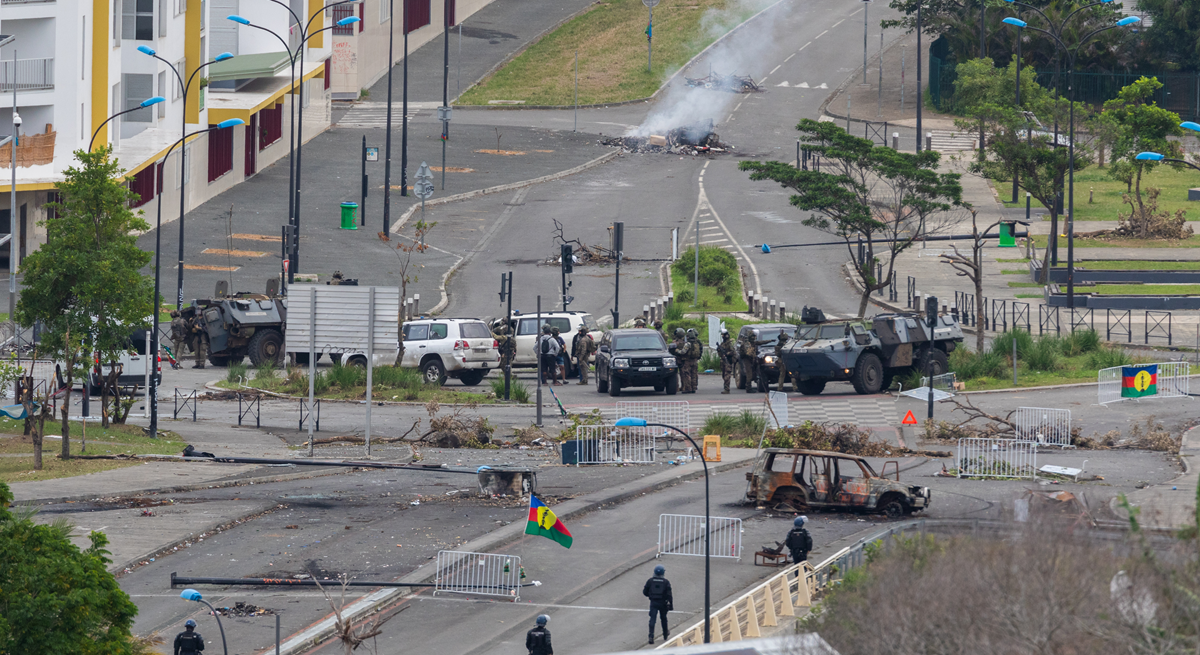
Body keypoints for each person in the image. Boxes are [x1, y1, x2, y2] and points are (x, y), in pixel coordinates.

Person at [643, 564, 673, 644]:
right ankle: (665, 633)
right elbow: (669, 594)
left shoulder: (650, 581)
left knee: (652, 619)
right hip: (663, 603)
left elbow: (645, 592)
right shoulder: (666, 582)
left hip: (653, 602)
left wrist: (651, 596)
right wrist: (670, 605)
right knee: (663, 618)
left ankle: (651, 636)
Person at [717, 328, 737, 394]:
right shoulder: (723, 343)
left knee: (727, 376)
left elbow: (732, 352)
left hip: (728, 361)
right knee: (724, 375)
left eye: (723, 335)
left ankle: (727, 389)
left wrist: (726, 354)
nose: (722, 336)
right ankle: (726, 388)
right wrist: (719, 351)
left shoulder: (729, 343)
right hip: (723, 361)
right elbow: (720, 353)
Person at [683, 329, 702, 394]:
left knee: (687, 374)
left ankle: (688, 388)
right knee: (694, 374)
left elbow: (683, 351)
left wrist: (677, 351)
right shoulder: (697, 343)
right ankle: (694, 387)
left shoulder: (688, 343)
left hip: (688, 360)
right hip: (695, 360)